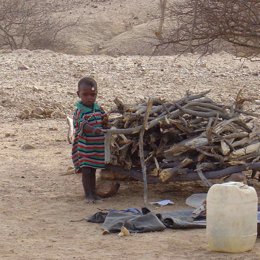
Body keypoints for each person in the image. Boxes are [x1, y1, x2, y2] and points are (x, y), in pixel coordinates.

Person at [72, 77, 107, 203]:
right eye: (85, 95)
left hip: (96, 147)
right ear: (78, 94)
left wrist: (105, 121)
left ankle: (94, 194)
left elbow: (104, 118)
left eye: (92, 95)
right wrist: (94, 130)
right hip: (85, 147)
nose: (89, 98)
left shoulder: (97, 108)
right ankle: (88, 195)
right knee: (87, 170)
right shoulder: (79, 111)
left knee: (93, 170)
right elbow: (81, 125)